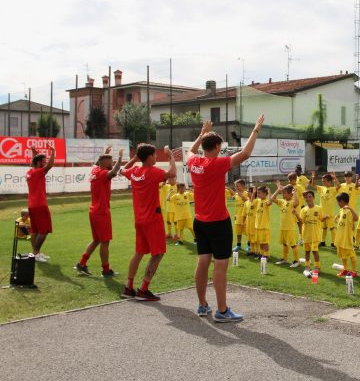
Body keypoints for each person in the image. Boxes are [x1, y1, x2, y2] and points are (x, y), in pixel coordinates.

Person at [187, 115, 264, 322]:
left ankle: (203, 305)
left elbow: (190, 151)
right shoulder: (216, 164)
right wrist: (255, 129)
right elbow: (245, 153)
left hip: (200, 221)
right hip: (218, 222)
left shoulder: (193, 161)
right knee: (220, 265)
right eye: (220, 146)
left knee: (203, 262)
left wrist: (201, 134)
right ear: (217, 147)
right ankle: (222, 311)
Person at [120, 144, 177, 301]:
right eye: (155, 155)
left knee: (139, 253)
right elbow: (172, 173)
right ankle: (143, 289)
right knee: (158, 254)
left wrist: (134, 159)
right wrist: (170, 155)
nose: (157, 157)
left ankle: (128, 287)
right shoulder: (152, 172)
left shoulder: (134, 171)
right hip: (152, 219)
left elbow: (121, 169)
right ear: (150, 157)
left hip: (139, 220)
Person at [75, 146, 123, 276]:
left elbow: (99, 164)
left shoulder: (95, 171)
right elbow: (114, 172)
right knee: (105, 241)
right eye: (111, 162)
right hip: (101, 212)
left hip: (93, 211)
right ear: (106, 164)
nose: (112, 164)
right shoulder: (103, 174)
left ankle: (82, 263)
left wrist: (105, 154)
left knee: (96, 240)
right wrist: (119, 159)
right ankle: (106, 270)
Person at [26, 145, 55, 262]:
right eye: (43, 161)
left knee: (35, 230)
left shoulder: (30, 171)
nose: (45, 162)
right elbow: (50, 165)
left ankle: (36, 253)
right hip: (40, 205)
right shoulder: (38, 172)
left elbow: (34, 162)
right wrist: (53, 151)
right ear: (39, 163)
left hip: (32, 205)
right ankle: (35, 253)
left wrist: (34, 153)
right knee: (44, 230)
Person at [296, 190, 328, 276]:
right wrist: (296, 214)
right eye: (306, 197)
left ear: (313, 198)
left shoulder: (318, 208)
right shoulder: (303, 210)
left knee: (314, 251)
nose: (308, 198)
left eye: (310, 197)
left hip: (315, 234)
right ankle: (307, 266)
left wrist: (325, 218)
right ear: (305, 199)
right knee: (307, 251)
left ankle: (317, 267)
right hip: (306, 234)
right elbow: (301, 221)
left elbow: (321, 219)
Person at [272, 181, 300, 267]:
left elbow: (296, 203)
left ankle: (297, 261)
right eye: (283, 193)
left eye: (284, 193)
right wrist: (278, 190)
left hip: (290, 228)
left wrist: (294, 193)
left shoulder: (292, 202)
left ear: (290, 194)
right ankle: (285, 259)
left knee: (293, 244)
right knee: (284, 244)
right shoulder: (282, 202)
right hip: (283, 227)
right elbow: (272, 198)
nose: (283, 195)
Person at [334, 192, 359, 277]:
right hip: (340, 237)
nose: (337, 204)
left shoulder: (349, 211)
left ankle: (354, 271)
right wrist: (337, 219)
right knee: (342, 254)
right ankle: (345, 269)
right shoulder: (341, 210)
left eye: (338, 202)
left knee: (351, 254)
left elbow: (356, 218)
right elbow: (343, 223)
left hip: (347, 237)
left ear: (342, 201)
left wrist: (351, 209)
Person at [312, 172, 337, 248]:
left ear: (329, 181)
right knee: (323, 228)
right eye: (322, 181)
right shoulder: (322, 188)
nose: (323, 182)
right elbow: (313, 185)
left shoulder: (333, 189)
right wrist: (313, 177)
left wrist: (334, 178)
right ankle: (322, 241)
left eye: (324, 181)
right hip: (322, 213)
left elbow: (338, 186)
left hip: (330, 213)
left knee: (332, 228)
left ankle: (334, 243)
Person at [288, 172, 306, 246]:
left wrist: (302, 202)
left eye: (290, 180)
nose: (289, 181)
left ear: (295, 180)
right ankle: (291, 239)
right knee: (290, 224)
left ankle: (301, 239)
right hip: (289, 208)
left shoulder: (299, 187)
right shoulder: (288, 187)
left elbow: (304, 194)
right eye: (288, 179)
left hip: (298, 208)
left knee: (299, 224)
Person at [231, 179, 249, 252]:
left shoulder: (247, 193)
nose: (236, 187)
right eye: (235, 186)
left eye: (237, 186)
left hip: (245, 217)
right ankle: (238, 245)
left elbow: (248, 202)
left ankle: (249, 246)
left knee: (247, 232)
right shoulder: (236, 194)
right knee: (238, 232)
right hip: (238, 217)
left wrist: (241, 195)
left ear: (243, 186)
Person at [255, 186, 273, 259]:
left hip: (264, 226)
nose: (258, 194)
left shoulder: (266, 201)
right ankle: (262, 254)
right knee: (260, 242)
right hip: (258, 226)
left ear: (265, 193)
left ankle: (266, 255)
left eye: (259, 193)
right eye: (257, 193)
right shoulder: (258, 201)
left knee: (265, 242)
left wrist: (269, 192)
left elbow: (270, 202)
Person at [242, 186, 260, 257]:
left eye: (249, 191)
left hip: (254, 222)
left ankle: (257, 251)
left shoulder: (257, 201)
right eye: (247, 191)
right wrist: (243, 222)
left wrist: (254, 192)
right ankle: (252, 250)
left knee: (255, 237)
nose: (247, 192)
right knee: (249, 236)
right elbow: (244, 214)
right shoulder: (246, 202)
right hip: (248, 222)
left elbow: (252, 200)